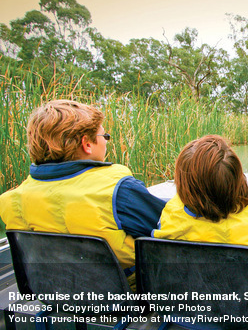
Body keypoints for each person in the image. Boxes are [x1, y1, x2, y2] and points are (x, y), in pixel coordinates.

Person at [0, 99, 166, 279]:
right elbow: (167, 230)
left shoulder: (12, 200)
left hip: (55, 293)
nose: (106, 142)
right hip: (124, 297)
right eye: (105, 136)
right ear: (86, 143)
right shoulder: (118, 190)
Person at [153, 134, 248, 298]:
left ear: (183, 185)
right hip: (246, 305)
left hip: (188, 303)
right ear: (238, 178)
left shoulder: (170, 212)